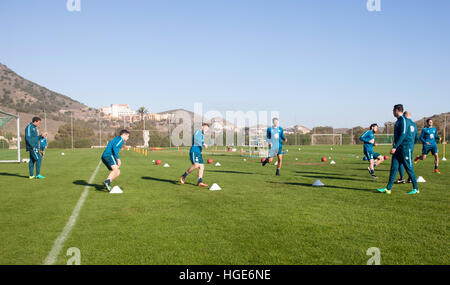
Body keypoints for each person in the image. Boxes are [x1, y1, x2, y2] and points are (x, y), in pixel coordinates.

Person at [377, 104, 419, 195]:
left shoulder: (403, 120)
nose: (392, 112)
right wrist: (396, 145)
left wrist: (395, 147)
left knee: (408, 168)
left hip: (405, 148)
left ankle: (416, 188)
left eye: (393, 110)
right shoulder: (398, 121)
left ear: (396, 110)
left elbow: (403, 134)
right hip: (399, 148)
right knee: (394, 168)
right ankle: (388, 189)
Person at [395, 111, 417, 184]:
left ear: (404, 115)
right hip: (410, 146)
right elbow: (416, 137)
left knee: (406, 163)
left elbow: (402, 134)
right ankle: (407, 178)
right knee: (407, 162)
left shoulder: (404, 122)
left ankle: (407, 179)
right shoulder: (414, 124)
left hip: (404, 146)